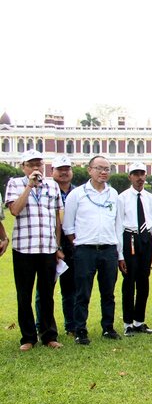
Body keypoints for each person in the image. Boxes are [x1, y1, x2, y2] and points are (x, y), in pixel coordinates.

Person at [6, 149, 64, 349]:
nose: (36, 167)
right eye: (31, 164)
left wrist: (57, 246)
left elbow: (57, 218)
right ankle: (28, 338)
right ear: (23, 167)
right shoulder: (15, 183)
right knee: (25, 294)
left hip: (47, 248)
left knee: (47, 294)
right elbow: (14, 210)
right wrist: (29, 186)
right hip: (24, 247)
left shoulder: (52, 186)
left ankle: (49, 335)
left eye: (39, 163)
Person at [64, 155, 121, 342]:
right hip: (85, 250)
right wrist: (77, 245)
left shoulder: (113, 194)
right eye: (99, 168)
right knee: (82, 292)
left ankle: (108, 327)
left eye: (107, 169)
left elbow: (118, 225)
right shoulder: (77, 194)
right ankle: (80, 330)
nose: (103, 172)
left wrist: (119, 254)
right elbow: (68, 226)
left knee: (108, 292)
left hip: (108, 249)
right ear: (89, 170)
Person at [117, 162, 152, 336]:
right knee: (129, 281)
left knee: (144, 281)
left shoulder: (150, 198)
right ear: (130, 177)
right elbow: (118, 225)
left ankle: (139, 321)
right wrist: (120, 254)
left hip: (145, 239)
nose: (139, 177)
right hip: (130, 238)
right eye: (136, 174)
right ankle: (127, 323)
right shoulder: (123, 198)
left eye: (142, 174)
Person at [48, 154, 77, 336]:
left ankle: (71, 326)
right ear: (52, 172)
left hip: (72, 244)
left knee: (70, 288)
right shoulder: (46, 190)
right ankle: (43, 326)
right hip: (49, 244)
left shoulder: (78, 193)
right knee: (45, 289)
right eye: (60, 169)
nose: (64, 172)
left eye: (67, 169)